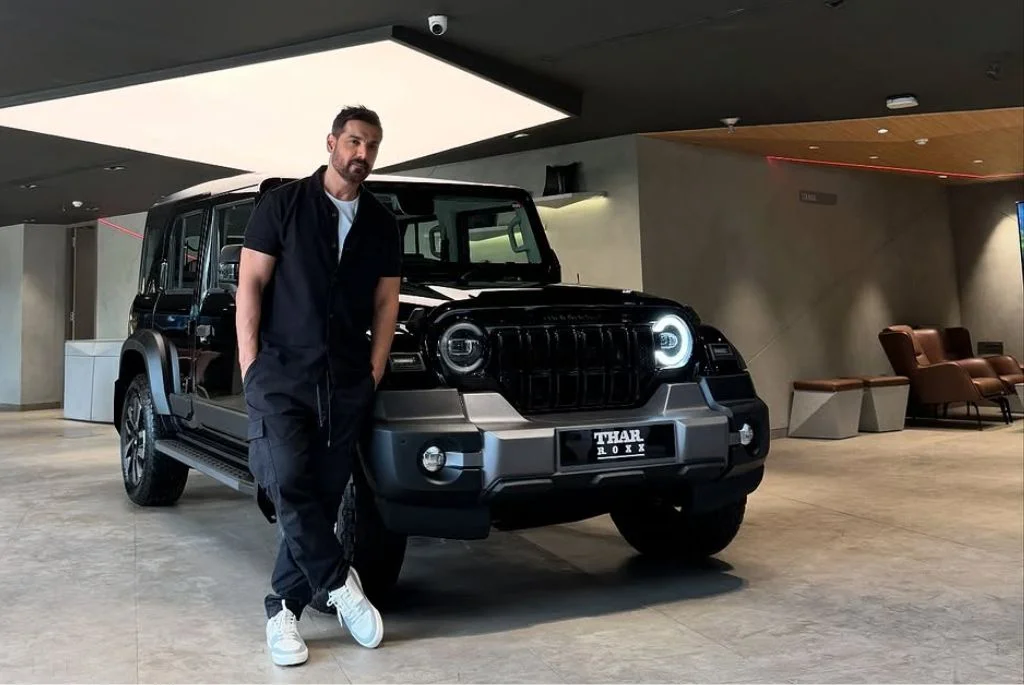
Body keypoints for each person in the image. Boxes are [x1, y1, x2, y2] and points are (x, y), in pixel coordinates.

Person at [235, 105, 402, 666]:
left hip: (346, 381)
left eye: (371, 145)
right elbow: (250, 285)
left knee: (322, 496)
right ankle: (338, 582)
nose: (362, 154)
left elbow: (386, 301)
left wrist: (374, 369)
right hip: (280, 377)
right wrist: (250, 365)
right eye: (354, 141)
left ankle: (283, 609)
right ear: (331, 143)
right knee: (286, 481)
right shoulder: (282, 206)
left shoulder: (380, 222)